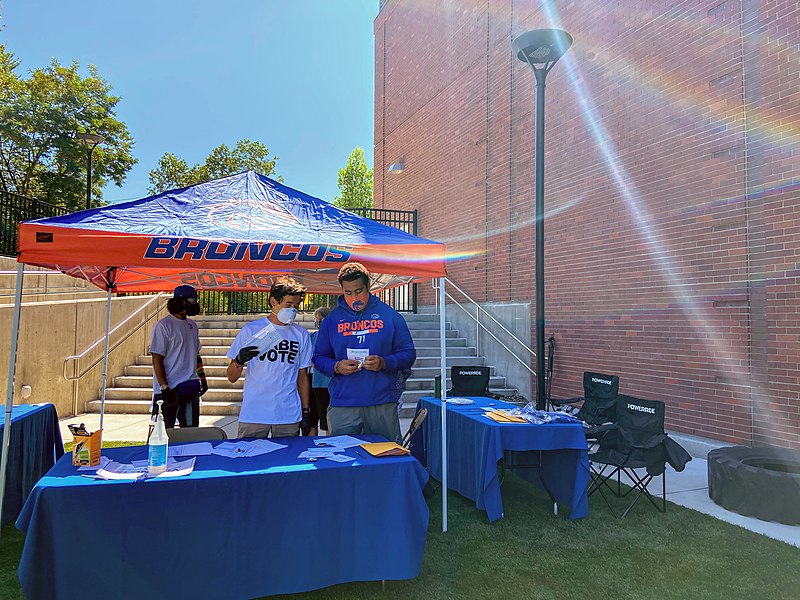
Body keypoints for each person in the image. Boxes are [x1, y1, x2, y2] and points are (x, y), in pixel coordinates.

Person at [312, 262, 416, 443]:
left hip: (382, 403)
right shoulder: (331, 321)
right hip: (343, 404)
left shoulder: (390, 316)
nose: (354, 298)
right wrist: (336, 366)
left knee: (385, 459)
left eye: (358, 291)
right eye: (348, 293)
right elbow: (319, 358)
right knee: (342, 462)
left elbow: (408, 354)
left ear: (368, 287)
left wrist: (384, 362)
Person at [227, 276, 313, 438]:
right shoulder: (251, 330)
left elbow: (302, 375)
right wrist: (239, 360)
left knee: (286, 459)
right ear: (274, 301)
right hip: (254, 413)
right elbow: (231, 377)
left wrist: (306, 410)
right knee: (249, 460)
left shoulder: (301, 334)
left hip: (288, 414)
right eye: (288, 304)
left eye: (296, 306)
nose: (293, 309)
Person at [150, 284, 207, 429]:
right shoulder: (164, 325)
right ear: (180, 302)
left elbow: (195, 354)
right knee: (164, 432)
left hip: (190, 386)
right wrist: (164, 387)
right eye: (192, 300)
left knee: (190, 432)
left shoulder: (192, 325)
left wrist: (202, 378)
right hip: (170, 388)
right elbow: (157, 359)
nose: (195, 304)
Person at [306, 306, 333, 436]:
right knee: (310, 421)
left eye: (321, 320)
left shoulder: (334, 338)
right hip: (309, 381)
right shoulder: (312, 337)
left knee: (327, 421)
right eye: (317, 320)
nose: (318, 323)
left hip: (325, 382)